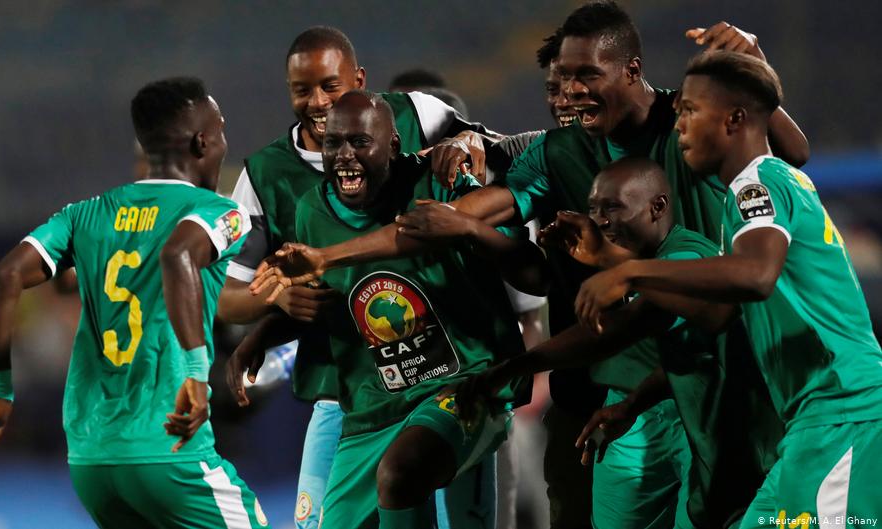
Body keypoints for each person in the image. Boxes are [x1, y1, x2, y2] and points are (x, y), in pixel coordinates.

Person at [250, 5, 808, 528]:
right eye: (559, 80)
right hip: (605, 385)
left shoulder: (688, 123)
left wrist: (753, 67)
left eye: (584, 76)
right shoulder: (552, 150)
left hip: (727, 377)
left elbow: (790, 151)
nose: (568, 93)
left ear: (632, 69)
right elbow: (459, 222)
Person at [574, 51, 882, 527]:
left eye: (691, 111)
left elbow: (756, 275)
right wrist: (633, 403)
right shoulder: (766, 192)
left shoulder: (755, 183)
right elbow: (718, 324)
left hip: (841, 415)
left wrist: (632, 274)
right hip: (819, 421)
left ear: (734, 119)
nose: (680, 125)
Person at [0, 77, 270, 529]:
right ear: (203, 141)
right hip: (169, 455)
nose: (223, 141)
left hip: (92, 461)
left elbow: (5, 277)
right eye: (221, 130)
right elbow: (179, 256)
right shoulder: (220, 212)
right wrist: (197, 375)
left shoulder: (84, 214)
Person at [216, 26, 494, 529]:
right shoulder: (264, 176)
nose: (318, 102)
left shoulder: (417, 114)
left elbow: (490, 156)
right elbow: (228, 297)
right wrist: (276, 306)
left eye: (330, 86)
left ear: (360, 79)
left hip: (444, 374)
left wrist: (470, 139)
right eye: (303, 90)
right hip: (346, 390)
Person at [447, 157, 785, 528]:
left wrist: (513, 367)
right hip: (647, 409)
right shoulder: (630, 265)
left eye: (613, 207)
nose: (600, 220)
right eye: (593, 208)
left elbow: (618, 329)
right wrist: (631, 404)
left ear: (657, 207)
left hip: (721, 431)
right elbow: (681, 354)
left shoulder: (685, 256)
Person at [286, 89, 547, 529]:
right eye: (333, 144)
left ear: (393, 146)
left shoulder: (439, 182)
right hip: (375, 406)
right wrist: (270, 318)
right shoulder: (311, 211)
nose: (344, 156)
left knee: (402, 472)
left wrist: (467, 221)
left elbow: (534, 276)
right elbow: (322, 298)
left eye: (359, 143)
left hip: (463, 386)